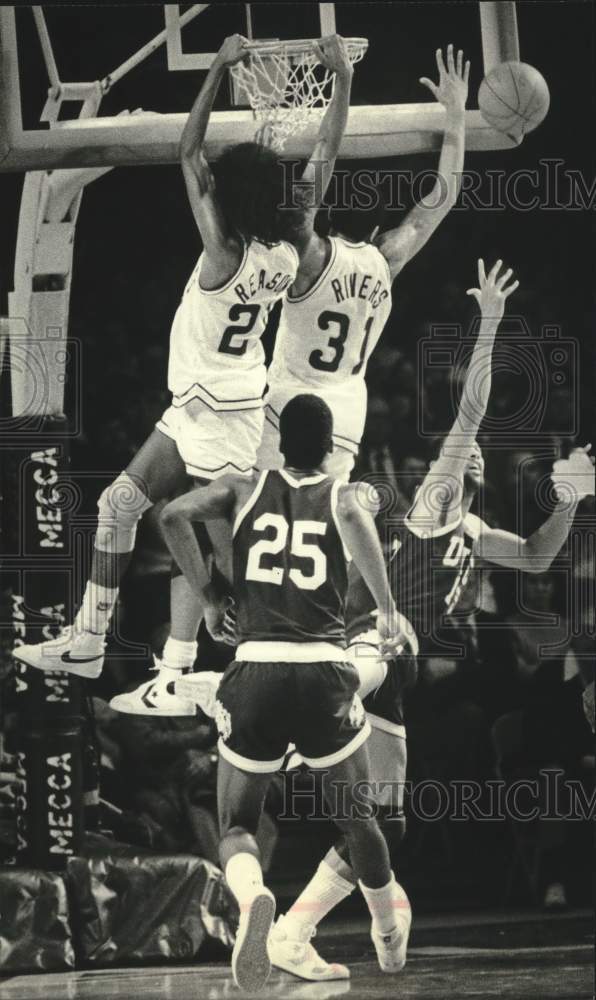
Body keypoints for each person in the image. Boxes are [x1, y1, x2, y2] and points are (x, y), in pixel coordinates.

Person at [265, 261, 594, 979]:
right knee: (352, 677)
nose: (466, 448)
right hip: (374, 643)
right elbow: (472, 411)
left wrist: (569, 499)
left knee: (391, 822)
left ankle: (292, 930)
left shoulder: (473, 528)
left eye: (472, 453)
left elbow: (539, 560)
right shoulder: (434, 507)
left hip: (399, 676)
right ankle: (295, 712)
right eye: (456, 450)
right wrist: (492, 325)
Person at [13, 34, 354, 716]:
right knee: (120, 507)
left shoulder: (223, 249)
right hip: (205, 400)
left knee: (212, 557)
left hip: (221, 412)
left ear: (231, 196)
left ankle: (221, 672)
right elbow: (324, 153)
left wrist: (221, 70)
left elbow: (188, 151)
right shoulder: (292, 240)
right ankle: (88, 639)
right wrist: (341, 80)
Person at [159, 394, 409, 991]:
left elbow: (171, 515)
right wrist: (388, 609)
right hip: (323, 671)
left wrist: (212, 592)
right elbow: (356, 519)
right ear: (329, 447)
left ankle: (252, 901)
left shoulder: (241, 488)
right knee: (360, 822)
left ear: (277, 443)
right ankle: (387, 933)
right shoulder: (343, 494)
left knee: (236, 822)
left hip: (256, 669)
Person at [257, 45, 470, 482]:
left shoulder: (308, 255)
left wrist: (342, 80)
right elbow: (445, 194)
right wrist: (456, 113)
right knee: (326, 525)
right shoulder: (386, 258)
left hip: (288, 402)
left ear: (325, 216)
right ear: (376, 229)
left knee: (258, 510)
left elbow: (325, 150)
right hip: (346, 412)